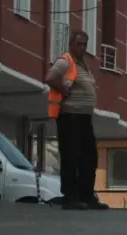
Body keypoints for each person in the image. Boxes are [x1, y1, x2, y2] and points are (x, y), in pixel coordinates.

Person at [45, 31, 107, 210]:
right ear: (71, 45)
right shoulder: (66, 61)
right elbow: (50, 77)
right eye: (79, 44)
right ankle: (71, 197)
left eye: (85, 44)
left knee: (89, 157)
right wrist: (63, 89)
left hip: (84, 118)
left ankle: (86, 195)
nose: (82, 48)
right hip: (70, 116)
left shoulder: (84, 65)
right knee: (71, 156)